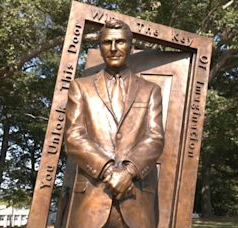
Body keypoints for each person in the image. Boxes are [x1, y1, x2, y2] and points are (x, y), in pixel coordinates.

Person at [65, 19, 164, 228]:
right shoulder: (80, 88)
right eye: (106, 42)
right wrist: (108, 170)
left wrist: (128, 172)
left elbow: (155, 137)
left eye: (120, 42)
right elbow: (73, 137)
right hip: (92, 200)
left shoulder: (150, 90)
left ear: (130, 46)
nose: (113, 48)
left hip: (136, 201)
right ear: (100, 47)